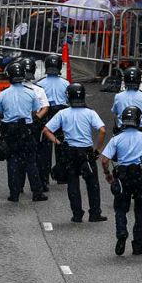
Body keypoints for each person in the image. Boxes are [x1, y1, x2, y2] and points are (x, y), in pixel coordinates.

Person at [45, 83, 106, 223]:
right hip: (86, 152)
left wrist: (58, 142)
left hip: (70, 152)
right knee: (92, 183)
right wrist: (98, 149)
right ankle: (95, 213)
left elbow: (47, 130)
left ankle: (77, 214)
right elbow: (102, 130)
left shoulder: (63, 113)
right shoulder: (90, 113)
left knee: (73, 183)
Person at [100, 107, 142, 254]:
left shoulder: (116, 139)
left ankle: (121, 232)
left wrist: (108, 175)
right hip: (140, 177)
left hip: (123, 177)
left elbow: (104, 160)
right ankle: (138, 245)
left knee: (120, 208)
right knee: (140, 212)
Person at [0, 61, 48, 203]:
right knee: (31, 161)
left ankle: (14, 193)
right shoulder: (31, 93)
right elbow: (34, 111)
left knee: (12, 161)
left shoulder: (3, 94)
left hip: (10, 130)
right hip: (26, 129)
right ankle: (37, 192)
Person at [37, 54, 70, 184]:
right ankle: (61, 176)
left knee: (45, 147)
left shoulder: (40, 84)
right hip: (61, 113)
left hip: (47, 113)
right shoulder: (66, 83)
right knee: (61, 144)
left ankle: (44, 177)